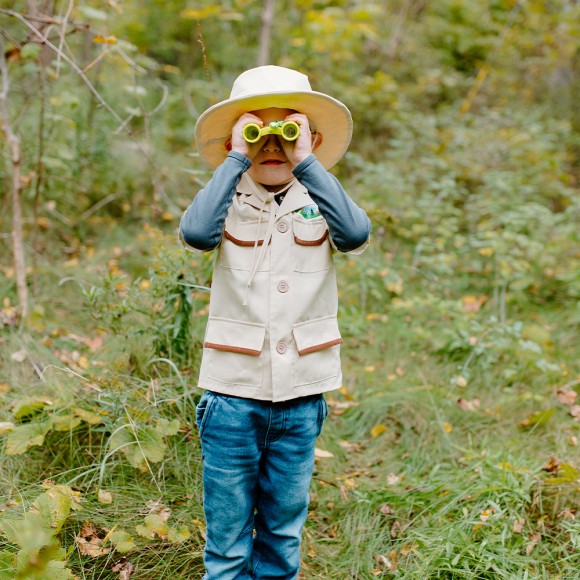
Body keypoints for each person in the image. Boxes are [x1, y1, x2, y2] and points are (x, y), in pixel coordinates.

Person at [179, 65, 371, 580]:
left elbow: (354, 233)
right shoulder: (228, 198)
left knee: (283, 534)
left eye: (286, 131)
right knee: (227, 540)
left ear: (312, 139)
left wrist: (306, 161)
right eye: (255, 132)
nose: (272, 144)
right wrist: (236, 156)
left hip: (302, 394)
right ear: (234, 145)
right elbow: (197, 233)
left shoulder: (320, 198)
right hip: (232, 392)